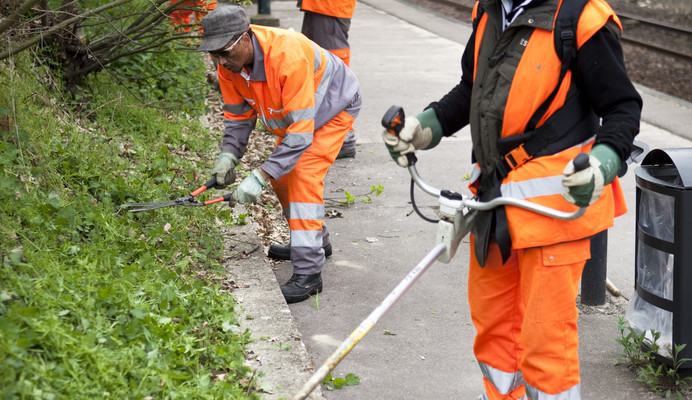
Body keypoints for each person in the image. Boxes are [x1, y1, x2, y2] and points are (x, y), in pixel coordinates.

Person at [382, 0, 642, 398]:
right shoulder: (486, 11)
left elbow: (622, 108)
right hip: (494, 205)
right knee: (495, 336)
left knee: (546, 346)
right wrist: (425, 126)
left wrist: (603, 165)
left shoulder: (583, 20)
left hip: (553, 211)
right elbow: (473, 89)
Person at [198, 4, 362, 304]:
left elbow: (300, 135)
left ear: (244, 39)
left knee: (301, 174)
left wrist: (259, 176)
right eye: (214, 55)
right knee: (281, 176)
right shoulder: (230, 65)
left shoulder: (288, 56)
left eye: (223, 52)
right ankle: (313, 241)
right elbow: (238, 117)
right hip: (302, 119)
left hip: (335, 107)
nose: (219, 61)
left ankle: (309, 272)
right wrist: (228, 157)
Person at [298, 0, 358, 159]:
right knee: (317, 65)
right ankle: (336, 136)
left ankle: (344, 137)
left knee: (332, 70)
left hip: (329, 6)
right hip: (320, 6)